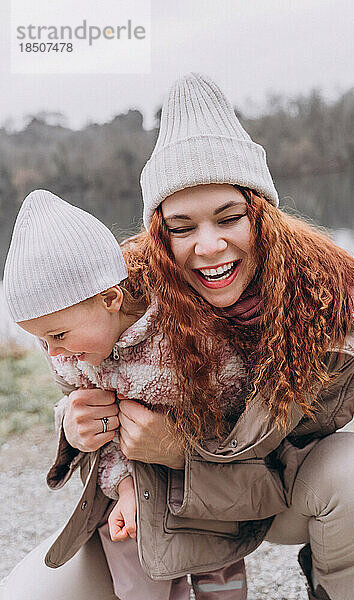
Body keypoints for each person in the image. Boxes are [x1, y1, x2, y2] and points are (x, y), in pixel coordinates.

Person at [2, 73, 354, 600]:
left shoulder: (327, 312)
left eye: (229, 217)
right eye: (182, 227)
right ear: (158, 235)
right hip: (159, 513)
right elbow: (87, 376)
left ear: (263, 218)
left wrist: (181, 453)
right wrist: (75, 427)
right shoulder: (115, 297)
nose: (209, 247)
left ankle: (337, 588)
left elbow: (280, 472)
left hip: (277, 497)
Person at [2, 188, 251, 600]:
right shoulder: (75, 357)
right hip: (130, 502)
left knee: (219, 577)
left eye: (58, 335)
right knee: (137, 586)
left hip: (202, 493)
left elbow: (231, 413)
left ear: (111, 299)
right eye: (41, 342)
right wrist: (125, 485)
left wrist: (183, 453)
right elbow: (107, 438)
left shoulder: (183, 338)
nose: (54, 354)